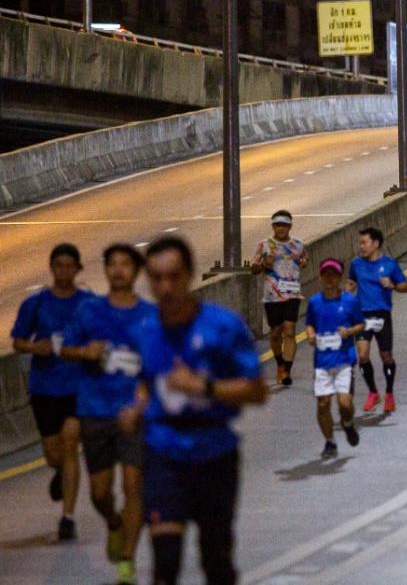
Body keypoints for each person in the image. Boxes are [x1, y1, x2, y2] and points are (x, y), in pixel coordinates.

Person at [118, 237, 266, 585]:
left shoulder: (222, 326)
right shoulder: (145, 331)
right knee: (165, 562)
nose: (165, 287)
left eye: (173, 276)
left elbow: (256, 390)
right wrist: (137, 407)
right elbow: (145, 383)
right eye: (156, 278)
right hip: (164, 455)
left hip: (214, 454)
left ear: (189, 275)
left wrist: (205, 387)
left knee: (216, 559)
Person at [59, 245, 152, 583]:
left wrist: (142, 401)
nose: (118, 270)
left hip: (132, 415)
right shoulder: (89, 311)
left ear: (136, 271)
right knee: (100, 493)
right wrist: (84, 351)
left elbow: (158, 367)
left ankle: (126, 561)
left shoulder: (149, 316)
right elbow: (64, 349)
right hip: (94, 410)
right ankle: (114, 523)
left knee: (134, 486)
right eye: (112, 264)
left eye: (125, 264)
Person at [10, 243, 91, 541]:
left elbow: (100, 335)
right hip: (45, 387)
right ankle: (59, 472)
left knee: (70, 444)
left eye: (70, 265)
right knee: (54, 454)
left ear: (78, 269)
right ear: (52, 267)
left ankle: (67, 518)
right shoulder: (36, 304)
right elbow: (18, 341)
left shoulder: (87, 303)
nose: (65, 271)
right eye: (60, 265)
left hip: (77, 386)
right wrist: (35, 347)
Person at [304, 259, 364, 459]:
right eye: (325, 274)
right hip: (322, 360)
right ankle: (330, 442)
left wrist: (348, 331)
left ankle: (347, 423)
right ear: (320, 277)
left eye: (333, 275)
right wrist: (310, 335)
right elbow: (309, 324)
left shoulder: (349, 301)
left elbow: (361, 325)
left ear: (339, 278)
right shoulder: (314, 302)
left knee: (345, 404)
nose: (329, 278)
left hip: (343, 360)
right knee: (323, 403)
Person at [347, 227, 407, 413]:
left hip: (382, 315)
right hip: (361, 316)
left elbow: (405, 286)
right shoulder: (356, 264)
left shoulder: (389, 264)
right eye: (360, 243)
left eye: (364, 242)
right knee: (363, 355)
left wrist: (392, 285)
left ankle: (389, 393)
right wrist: (346, 292)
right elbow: (351, 282)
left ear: (376, 243)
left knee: (386, 356)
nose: (361, 246)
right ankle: (373, 393)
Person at [250, 210, 307, 386]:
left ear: (290, 226)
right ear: (272, 226)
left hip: (292, 293)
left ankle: (287, 371)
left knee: (290, 330)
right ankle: (280, 364)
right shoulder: (264, 245)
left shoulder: (298, 244)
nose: (280, 228)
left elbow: (304, 260)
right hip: (272, 296)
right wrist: (262, 265)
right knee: (276, 333)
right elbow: (253, 269)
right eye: (277, 225)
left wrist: (304, 263)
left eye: (283, 225)